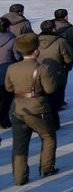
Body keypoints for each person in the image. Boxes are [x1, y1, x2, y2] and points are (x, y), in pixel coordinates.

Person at [5, 33, 59, 184]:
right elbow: (50, 89)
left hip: (18, 109)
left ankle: (19, 177)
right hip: (38, 109)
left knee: (19, 145)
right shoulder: (43, 68)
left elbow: (9, 88)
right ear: (36, 51)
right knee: (48, 137)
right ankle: (46, 168)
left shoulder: (12, 67)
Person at [36, 20, 73, 128]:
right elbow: (68, 58)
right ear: (53, 29)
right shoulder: (61, 42)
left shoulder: (35, 41)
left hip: (37, 74)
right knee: (54, 102)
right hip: (58, 75)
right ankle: (53, 123)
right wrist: (67, 67)